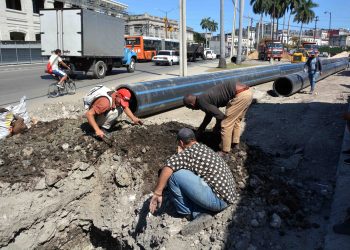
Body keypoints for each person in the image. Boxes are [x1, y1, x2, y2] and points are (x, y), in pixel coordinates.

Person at [149, 128, 235, 219]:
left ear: (181, 143)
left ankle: (189, 213)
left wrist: (158, 193)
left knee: (174, 176)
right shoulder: (203, 148)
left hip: (218, 201)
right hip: (228, 197)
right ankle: (203, 208)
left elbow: (168, 167)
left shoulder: (188, 153)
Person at [183, 81, 253, 156]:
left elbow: (220, 116)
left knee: (226, 124)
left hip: (240, 95)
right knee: (236, 120)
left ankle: (224, 151)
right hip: (248, 92)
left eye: (190, 108)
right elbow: (209, 115)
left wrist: (216, 128)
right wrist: (201, 129)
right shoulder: (203, 98)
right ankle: (235, 145)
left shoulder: (201, 102)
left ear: (192, 104)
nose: (192, 110)